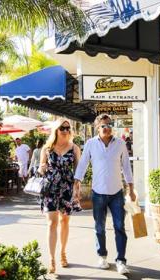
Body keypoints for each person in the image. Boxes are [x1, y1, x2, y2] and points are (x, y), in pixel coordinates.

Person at [74, 113, 136, 275]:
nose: (107, 128)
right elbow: (82, 165)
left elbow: (126, 168)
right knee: (99, 227)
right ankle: (102, 256)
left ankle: (121, 261)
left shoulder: (120, 143)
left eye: (110, 124)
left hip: (117, 193)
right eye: (104, 125)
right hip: (98, 192)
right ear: (97, 128)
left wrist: (131, 188)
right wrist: (77, 185)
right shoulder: (90, 144)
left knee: (119, 227)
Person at [38, 118, 81, 274]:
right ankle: (51, 258)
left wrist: (77, 189)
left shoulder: (74, 148)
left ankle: (63, 252)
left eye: (67, 128)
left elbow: (79, 171)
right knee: (51, 223)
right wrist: (42, 167)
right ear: (56, 129)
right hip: (50, 188)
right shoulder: (47, 148)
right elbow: (41, 170)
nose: (65, 131)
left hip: (67, 188)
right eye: (62, 128)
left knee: (64, 221)